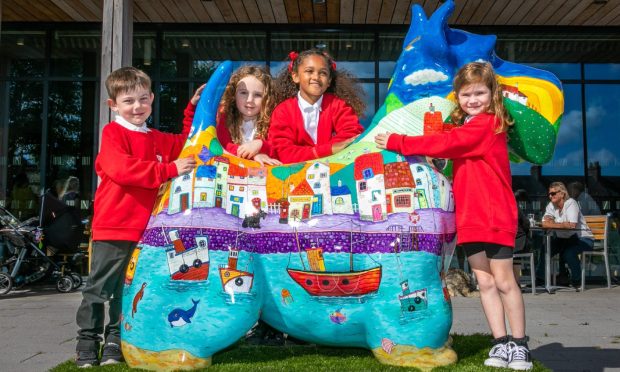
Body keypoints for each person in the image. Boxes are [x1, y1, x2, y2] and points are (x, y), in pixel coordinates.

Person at [375, 62, 532, 370]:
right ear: (458, 97)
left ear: (492, 94)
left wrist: (399, 141)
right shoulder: (468, 126)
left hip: (495, 214)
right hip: (470, 215)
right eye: (466, 94)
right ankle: (500, 343)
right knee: (484, 282)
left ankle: (520, 344)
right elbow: (450, 150)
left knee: (504, 281)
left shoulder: (487, 124)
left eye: (479, 93)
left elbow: (449, 143)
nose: (473, 100)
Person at [74, 66, 200, 368]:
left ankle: (116, 340)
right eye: (128, 101)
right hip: (114, 227)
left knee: (127, 289)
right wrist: (169, 170)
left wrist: (194, 107)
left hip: (147, 232)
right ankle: (86, 342)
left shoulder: (156, 138)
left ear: (152, 99)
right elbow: (122, 169)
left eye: (143, 99)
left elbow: (188, 141)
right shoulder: (112, 133)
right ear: (113, 105)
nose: (137, 107)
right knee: (99, 288)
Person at [269, 49, 365, 163]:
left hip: (333, 174)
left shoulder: (338, 105)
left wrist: (305, 153)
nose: (316, 77)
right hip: (296, 177)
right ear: (295, 76)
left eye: (323, 73)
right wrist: (326, 150)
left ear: (329, 81)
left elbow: (351, 137)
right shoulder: (283, 111)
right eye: (309, 71)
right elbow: (283, 152)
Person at [216, 65, 281, 166]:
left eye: (257, 95)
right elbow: (221, 147)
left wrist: (260, 145)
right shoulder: (224, 119)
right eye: (243, 93)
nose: (249, 100)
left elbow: (278, 148)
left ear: (267, 99)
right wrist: (251, 155)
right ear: (233, 95)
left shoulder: (273, 120)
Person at [541, 181, 594, 289]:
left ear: (562, 193)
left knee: (568, 253)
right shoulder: (551, 205)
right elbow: (544, 223)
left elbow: (572, 225)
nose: (550, 196)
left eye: (553, 193)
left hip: (582, 238)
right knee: (546, 249)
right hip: (564, 238)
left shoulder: (571, 203)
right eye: (549, 194)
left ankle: (576, 280)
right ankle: (540, 279)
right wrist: (562, 224)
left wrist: (553, 223)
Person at [513, 190, 531, 285]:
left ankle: (513, 282)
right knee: (517, 254)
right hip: (518, 241)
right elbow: (526, 223)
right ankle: (516, 282)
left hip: (504, 242)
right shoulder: (514, 205)